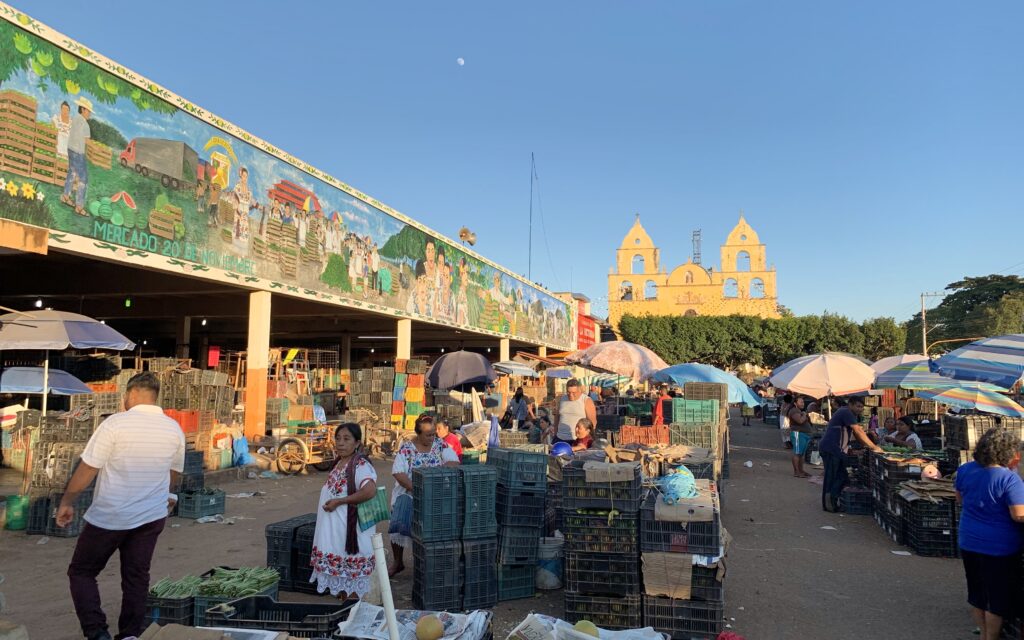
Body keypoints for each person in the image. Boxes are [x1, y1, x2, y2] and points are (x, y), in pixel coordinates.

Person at [60, 372, 184, 640]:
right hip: (151, 517)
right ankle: (130, 635)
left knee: (81, 572)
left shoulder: (115, 424)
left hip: (111, 516)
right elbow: (174, 473)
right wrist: (168, 496)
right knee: (136, 578)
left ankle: (97, 633)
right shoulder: (173, 428)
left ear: (131, 394)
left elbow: (88, 468)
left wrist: (67, 501)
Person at [954, 427, 1024, 640]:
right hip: (999, 547)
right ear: (1008, 452)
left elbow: (960, 499)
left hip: (969, 541)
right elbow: (1019, 515)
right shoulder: (1009, 479)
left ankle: (983, 635)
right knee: (996, 599)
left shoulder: (965, 470)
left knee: (977, 595)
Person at [309, 423, 378, 599]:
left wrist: (341, 501)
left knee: (352, 582)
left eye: (346, 439)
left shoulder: (360, 465)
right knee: (342, 582)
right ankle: (345, 609)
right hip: (335, 533)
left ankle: (352, 612)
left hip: (351, 532)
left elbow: (369, 491)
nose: (340, 443)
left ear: (357, 443)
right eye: (338, 438)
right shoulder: (339, 463)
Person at [388, 415, 458, 576]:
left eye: (433, 433)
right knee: (398, 526)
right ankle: (398, 562)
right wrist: (416, 489)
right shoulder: (407, 448)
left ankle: (427, 562)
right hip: (409, 494)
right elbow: (398, 472)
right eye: (428, 434)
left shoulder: (440, 445)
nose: (432, 437)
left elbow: (454, 462)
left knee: (429, 531)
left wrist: (437, 476)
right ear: (418, 433)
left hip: (434, 495)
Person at [818, 397, 882, 512]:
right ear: (850, 404)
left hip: (837, 450)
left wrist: (867, 445)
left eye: (862, 407)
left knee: (842, 476)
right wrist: (874, 447)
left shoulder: (849, 414)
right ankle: (829, 505)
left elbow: (857, 434)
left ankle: (831, 502)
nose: (860, 409)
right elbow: (858, 431)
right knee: (833, 477)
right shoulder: (846, 412)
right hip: (832, 449)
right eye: (858, 406)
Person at [61, 96, 92, 216]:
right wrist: (98, 149)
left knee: (72, 173)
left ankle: (65, 196)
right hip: (78, 152)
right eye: (88, 111)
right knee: (83, 179)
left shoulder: (75, 119)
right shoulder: (85, 124)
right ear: (83, 109)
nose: (89, 114)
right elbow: (87, 142)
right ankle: (79, 206)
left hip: (71, 150)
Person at [553, 379, 597, 445]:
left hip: (577, 440)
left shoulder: (586, 400)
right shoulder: (562, 399)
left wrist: (586, 440)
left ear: (580, 391)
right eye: (568, 392)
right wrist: (555, 433)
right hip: (559, 438)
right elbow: (557, 418)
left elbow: (592, 422)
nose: (570, 395)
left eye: (574, 393)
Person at [787, 397, 812, 478]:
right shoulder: (794, 410)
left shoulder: (798, 411)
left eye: (803, 402)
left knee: (801, 454)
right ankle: (797, 472)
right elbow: (800, 421)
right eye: (800, 402)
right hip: (798, 433)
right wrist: (804, 414)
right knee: (797, 453)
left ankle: (801, 471)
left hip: (804, 434)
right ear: (795, 403)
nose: (803, 403)